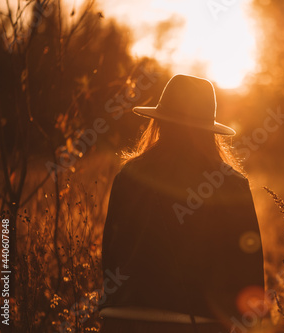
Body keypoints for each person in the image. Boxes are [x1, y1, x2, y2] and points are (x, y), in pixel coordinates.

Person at [100, 74, 265, 333]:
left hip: (125, 317)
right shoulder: (231, 183)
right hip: (202, 323)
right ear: (209, 132)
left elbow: (111, 252)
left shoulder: (129, 175)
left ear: (160, 123)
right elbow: (248, 267)